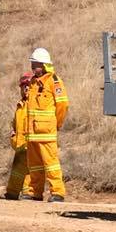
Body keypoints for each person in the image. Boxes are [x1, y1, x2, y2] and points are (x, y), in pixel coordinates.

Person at [26, 47, 69, 202]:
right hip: (32, 133)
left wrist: (56, 123)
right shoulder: (32, 82)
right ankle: (34, 192)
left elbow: (62, 105)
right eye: (32, 64)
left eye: (35, 64)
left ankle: (57, 192)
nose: (32, 67)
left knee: (51, 164)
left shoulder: (54, 81)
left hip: (46, 132)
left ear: (44, 65)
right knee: (34, 165)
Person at [5, 71, 35, 200]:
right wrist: (13, 135)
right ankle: (12, 192)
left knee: (29, 169)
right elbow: (16, 124)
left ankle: (28, 192)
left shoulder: (33, 104)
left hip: (31, 143)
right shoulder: (20, 105)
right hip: (20, 143)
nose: (26, 88)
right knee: (17, 169)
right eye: (24, 86)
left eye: (29, 85)